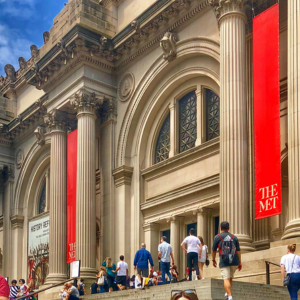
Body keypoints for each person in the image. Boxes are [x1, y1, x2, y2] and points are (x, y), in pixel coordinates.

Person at [212, 221, 241, 300]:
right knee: (230, 277)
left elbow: (213, 250)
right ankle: (227, 293)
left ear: (220, 228)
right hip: (234, 260)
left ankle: (230, 296)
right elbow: (238, 251)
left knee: (226, 278)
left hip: (224, 261)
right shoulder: (234, 237)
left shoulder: (217, 237)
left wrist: (213, 260)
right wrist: (240, 262)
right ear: (228, 228)